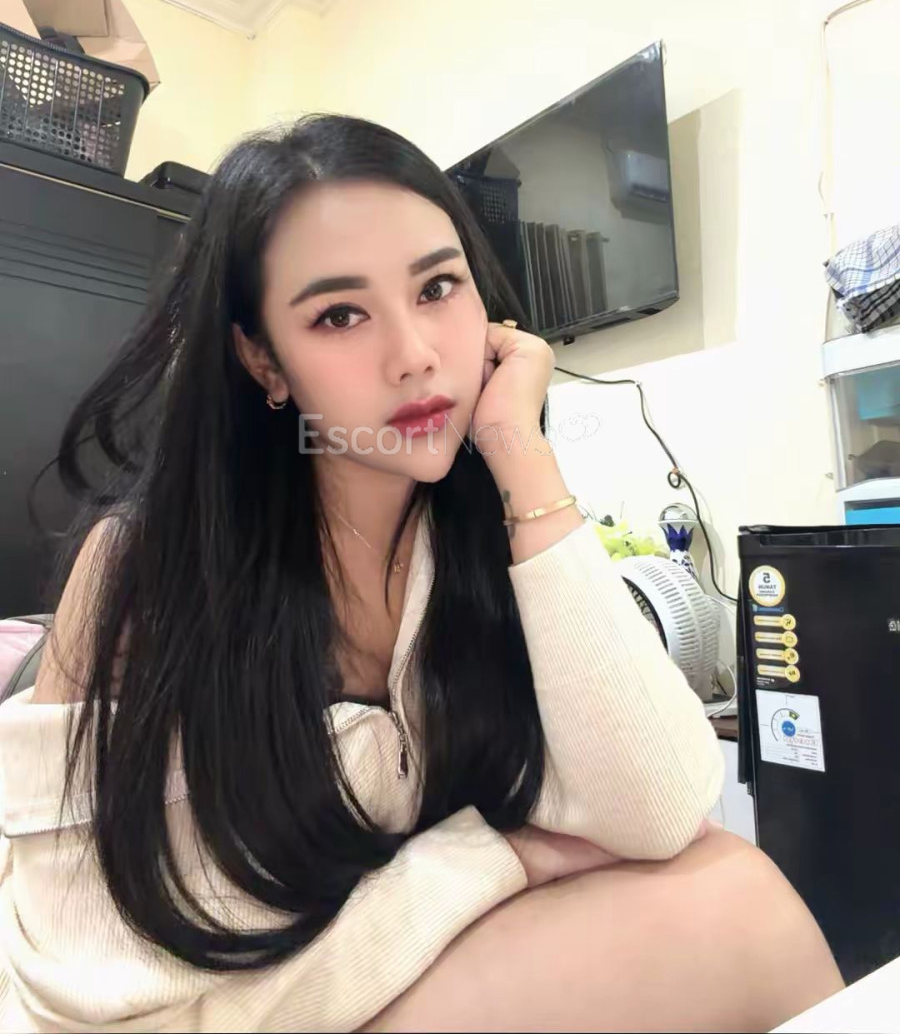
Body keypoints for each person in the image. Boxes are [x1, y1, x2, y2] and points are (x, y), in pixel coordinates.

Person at [0, 115, 841, 1033]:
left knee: (734, 885)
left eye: (438, 287)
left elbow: (662, 809)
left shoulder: (483, 539)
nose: (415, 355)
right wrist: (493, 862)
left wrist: (519, 449)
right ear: (262, 359)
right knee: (735, 911)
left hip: (385, 978)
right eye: (339, 315)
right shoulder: (146, 573)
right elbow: (76, 1007)